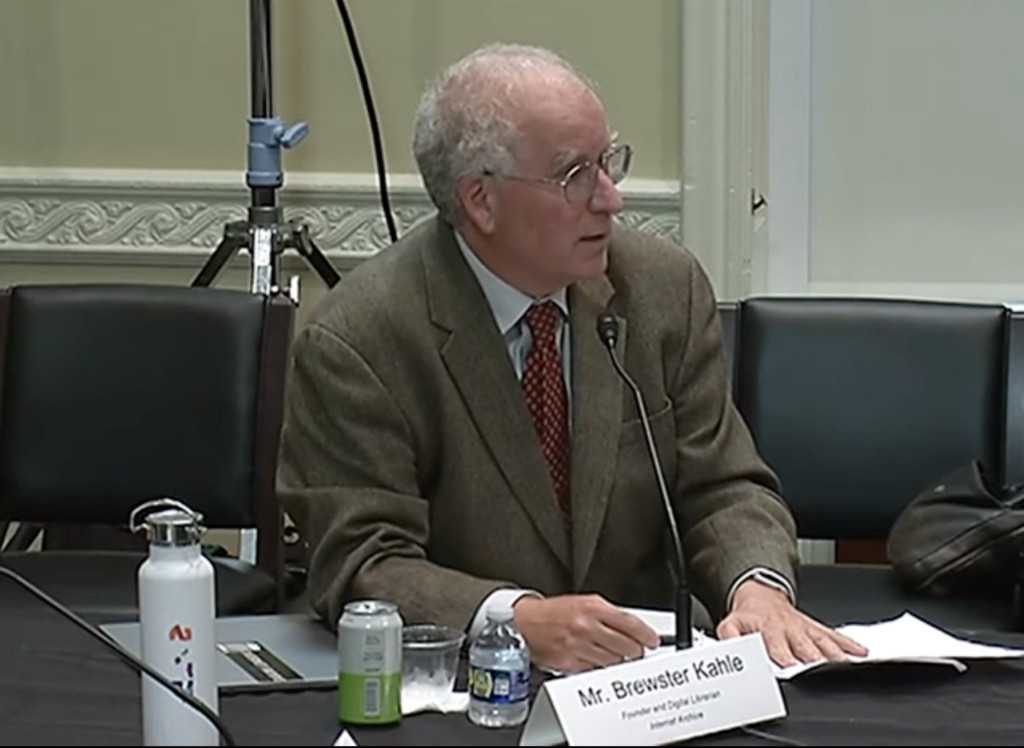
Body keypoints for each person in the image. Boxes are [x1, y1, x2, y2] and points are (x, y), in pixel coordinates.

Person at [278, 42, 867, 672]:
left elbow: (722, 486)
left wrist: (757, 588)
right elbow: (362, 560)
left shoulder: (662, 288)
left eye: (609, 162)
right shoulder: (361, 339)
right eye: (574, 175)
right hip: (473, 690)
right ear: (480, 200)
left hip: (654, 676)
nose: (610, 198)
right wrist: (514, 620)